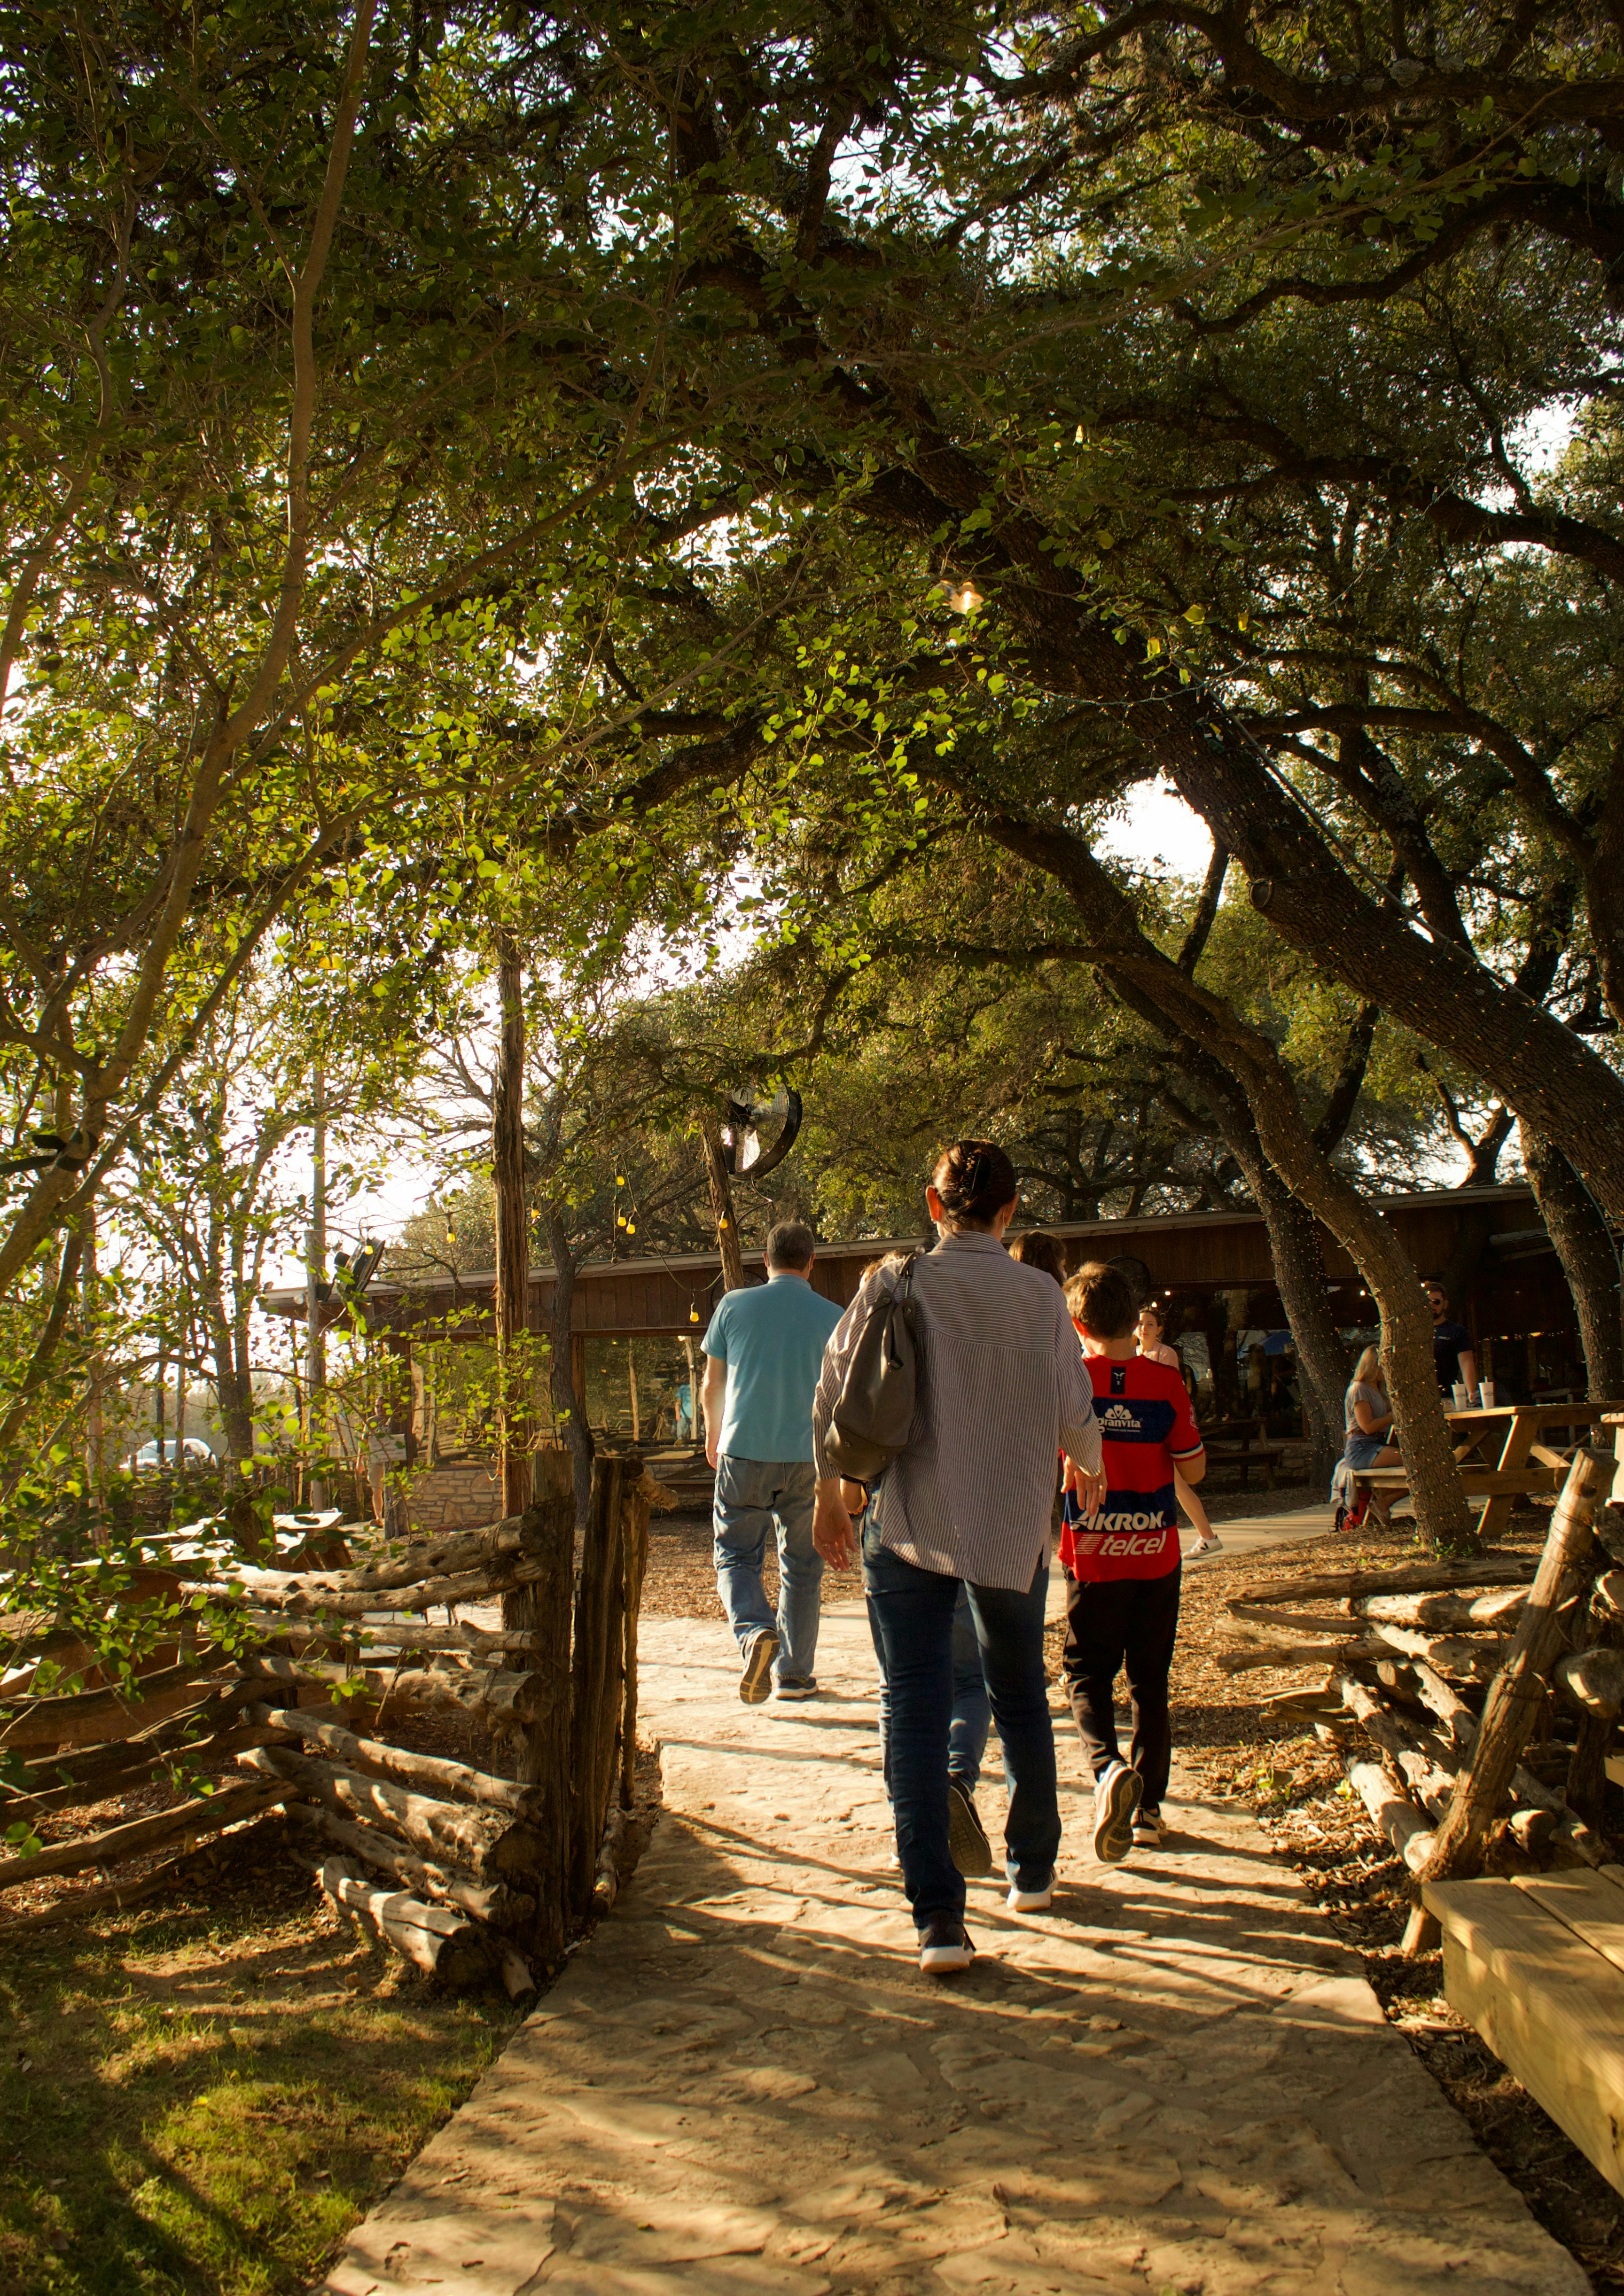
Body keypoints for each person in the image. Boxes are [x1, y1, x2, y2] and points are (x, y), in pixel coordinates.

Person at [812, 1140, 1106, 1978]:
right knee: (1019, 1692)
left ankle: (937, 1916)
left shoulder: (893, 1281)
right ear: (1012, 1211)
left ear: (932, 1204)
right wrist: (1090, 1461)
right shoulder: (1040, 1294)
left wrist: (832, 1492)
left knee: (913, 1702)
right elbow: (1071, 1403)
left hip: (909, 1518)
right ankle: (1034, 1869)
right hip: (1011, 1526)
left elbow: (833, 1390)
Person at [1062, 1261, 1207, 1860]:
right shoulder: (1165, 1383)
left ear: (1077, 1322)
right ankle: (1147, 1811)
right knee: (1151, 1682)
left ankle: (1107, 1769)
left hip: (1092, 1556)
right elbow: (1194, 1468)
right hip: (1155, 1556)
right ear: (1135, 1317)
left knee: (1087, 1674)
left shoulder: (1070, 1381)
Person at [702, 1221, 843, 1704]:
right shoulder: (835, 1317)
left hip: (745, 1451)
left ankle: (755, 1632)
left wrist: (713, 1434)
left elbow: (712, 1385)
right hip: (811, 1461)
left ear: (764, 1260)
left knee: (735, 1556)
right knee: (802, 1566)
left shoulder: (733, 1306)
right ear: (811, 1263)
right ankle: (796, 1676)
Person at [1136, 1301, 1220, 1557]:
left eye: (1150, 1324)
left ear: (1159, 1329)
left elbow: (1167, 1394)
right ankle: (1147, 1539)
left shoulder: (1166, 1354)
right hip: (1141, 1428)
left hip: (1163, 1428)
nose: (1144, 1329)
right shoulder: (1133, 1353)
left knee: (1179, 1485)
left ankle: (1208, 1536)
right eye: (1140, 1324)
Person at [1337, 1345, 1401, 1528]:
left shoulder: (1379, 1389)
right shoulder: (1359, 1389)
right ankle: (1383, 1503)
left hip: (1379, 1444)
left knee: (1420, 1463)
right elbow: (1368, 1426)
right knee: (1415, 1461)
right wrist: (1393, 1416)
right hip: (1362, 1447)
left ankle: (1383, 1502)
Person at [1427, 1280, 1478, 1399]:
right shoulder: (1414, 1332)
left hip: (1448, 1396)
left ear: (1445, 1305)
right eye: (1427, 1302)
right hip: (1420, 1398)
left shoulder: (1457, 1331)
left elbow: (1466, 1363)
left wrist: (1471, 1394)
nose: (1431, 1306)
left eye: (1436, 1302)